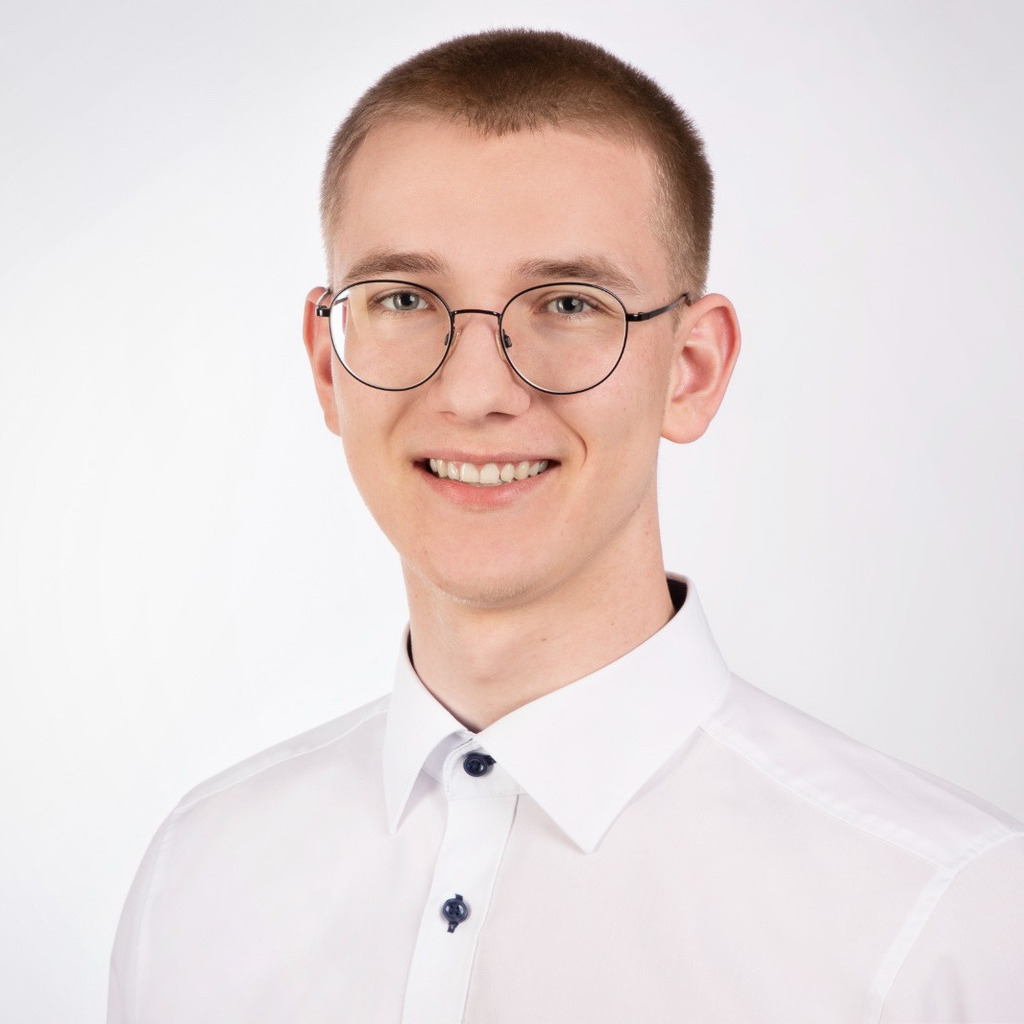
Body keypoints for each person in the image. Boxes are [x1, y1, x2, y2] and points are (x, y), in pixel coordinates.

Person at [108, 28, 1024, 1023]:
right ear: (329, 365)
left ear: (692, 370)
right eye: (405, 298)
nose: (475, 392)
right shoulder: (196, 880)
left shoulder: (937, 922)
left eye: (569, 304)